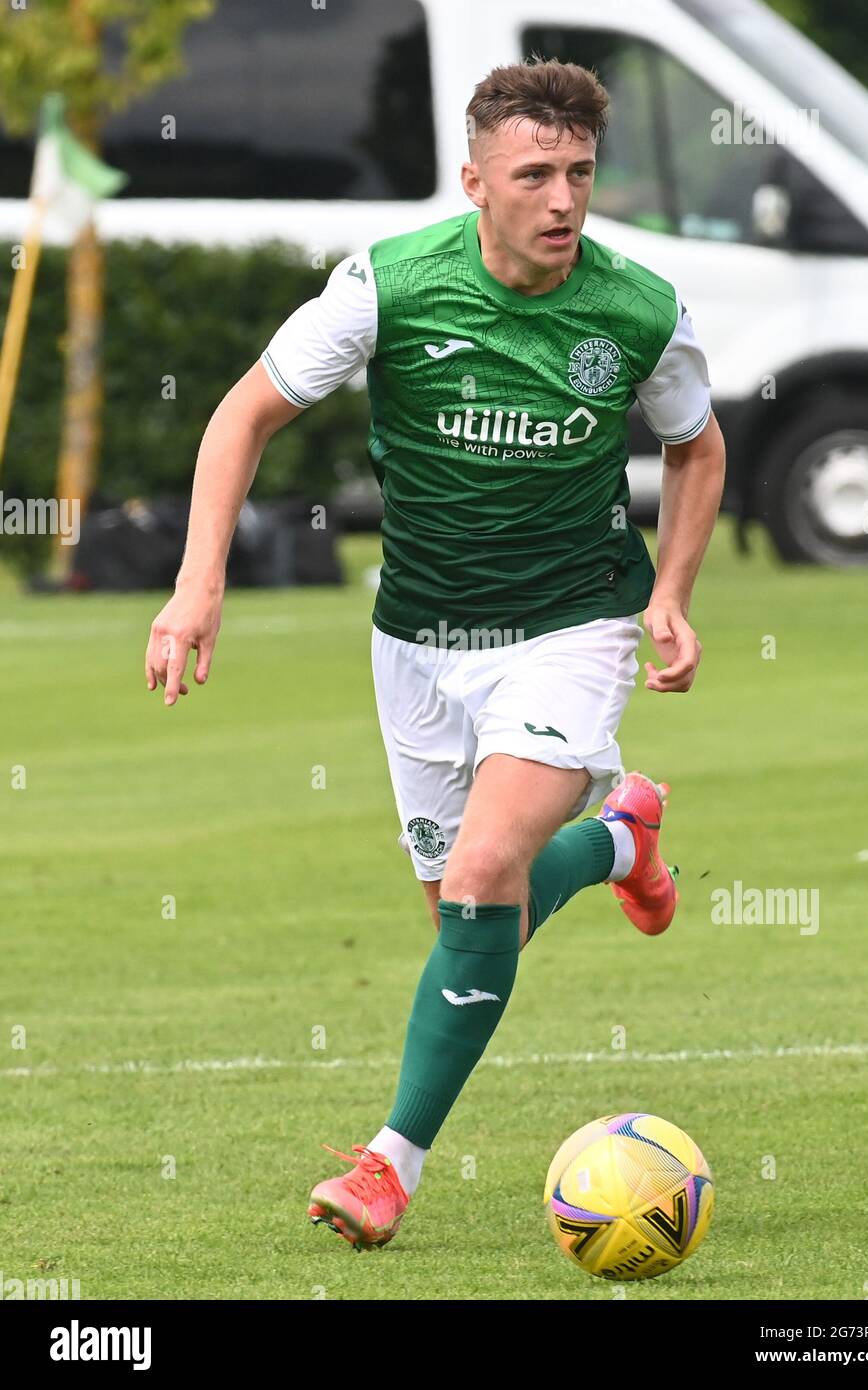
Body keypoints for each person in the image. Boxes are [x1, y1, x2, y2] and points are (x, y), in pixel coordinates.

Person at [145, 58, 726, 1252]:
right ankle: (622, 836)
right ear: (475, 181)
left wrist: (668, 592)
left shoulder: (638, 310)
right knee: (475, 920)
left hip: (570, 629)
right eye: (533, 176)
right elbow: (242, 411)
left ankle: (387, 1165)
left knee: (477, 882)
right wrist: (198, 581)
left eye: (577, 174)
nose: (562, 200)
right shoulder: (389, 287)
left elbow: (698, 448)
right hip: (417, 639)